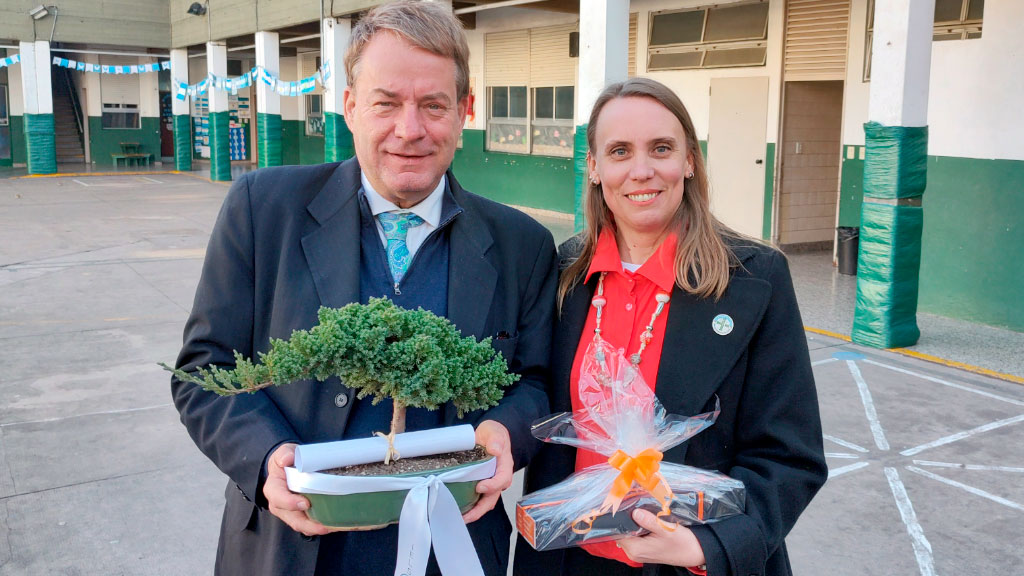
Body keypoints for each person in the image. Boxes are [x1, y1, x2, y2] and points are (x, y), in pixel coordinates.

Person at [170, 2, 556, 575]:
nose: (410, 129)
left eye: (433, 105)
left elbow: (535, 381)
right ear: (350, 106)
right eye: (386, 103)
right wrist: (269, 458)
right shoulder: (262, 211)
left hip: (453, 545)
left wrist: (505, 433)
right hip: (291, 545)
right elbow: (204, 369)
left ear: (465, 111)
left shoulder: (521, 243)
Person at [513, 78, 827, 576]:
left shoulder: (754, 278)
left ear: (689, 161)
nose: (642, 170)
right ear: (594, 168)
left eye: (661, 148)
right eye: (619, 151)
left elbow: (791, 455)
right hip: (568, 558)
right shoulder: (565, 273)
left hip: (692, 564)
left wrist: (711, 546)